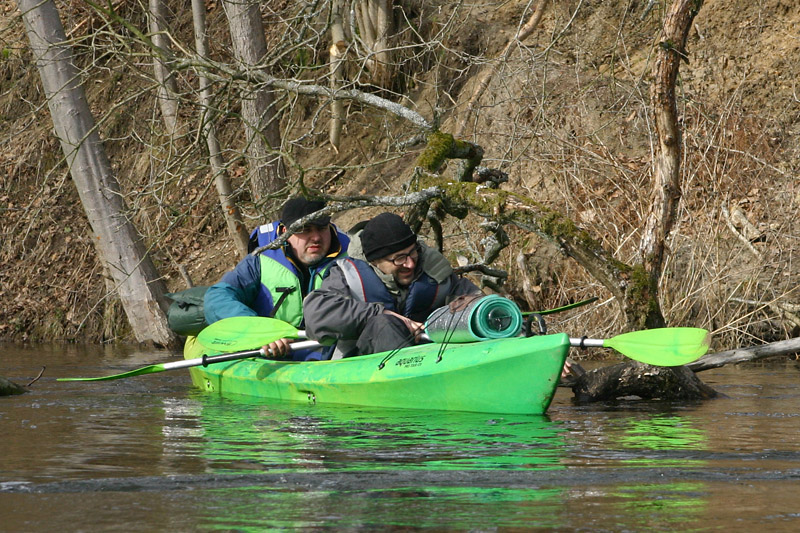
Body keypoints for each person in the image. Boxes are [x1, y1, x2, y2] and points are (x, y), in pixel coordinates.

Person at [303, 212, 482, 358]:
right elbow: (315, 315)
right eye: (399, 259)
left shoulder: (433, 270)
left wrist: (473, 305)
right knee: (384, 323)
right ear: (374, 261)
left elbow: (474, 299)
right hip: (362, 362)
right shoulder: (346, 276)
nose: (409, 264)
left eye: (412, 253)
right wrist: (377, 313)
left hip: (430, 356)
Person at [204, 197, 349, 360]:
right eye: (305, 229)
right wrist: (261, 332)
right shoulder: (259, 261)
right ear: (286, 232)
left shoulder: (351, 259)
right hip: (272, 353)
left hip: (333, 351)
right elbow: (217, 297)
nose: (316, 237)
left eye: (322, 228)